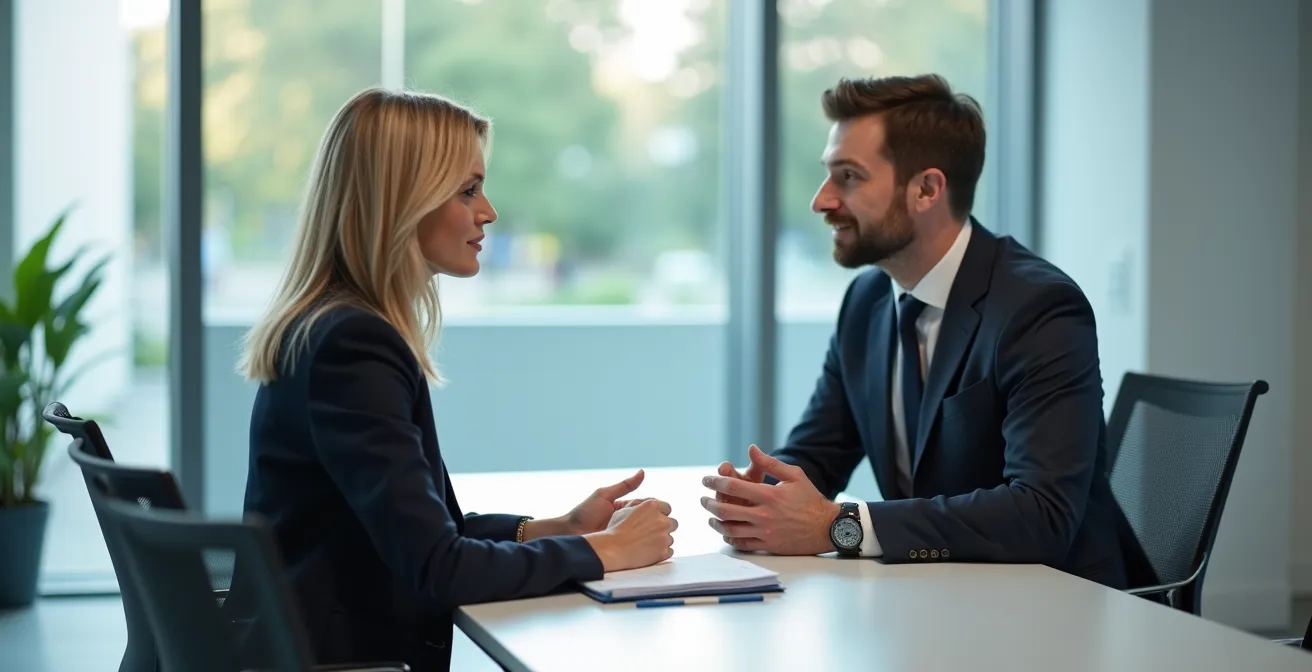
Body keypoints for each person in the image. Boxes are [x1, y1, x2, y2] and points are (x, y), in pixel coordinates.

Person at [235, 88, 676, 671]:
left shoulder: (327, 326)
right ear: (402, 200)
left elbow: (429, 531)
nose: (488, 211)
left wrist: (560, 527)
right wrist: (606, 550)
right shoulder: (353, 347)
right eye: (467, 190)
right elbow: (438, 566)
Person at [700, 74, 1136, 589]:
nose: (821, 200)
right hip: (934, 596)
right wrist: (763, 497)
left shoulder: (1038, 309)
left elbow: (1040, 514)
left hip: (1059, 606)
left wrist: (838, 527)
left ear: (926, 189)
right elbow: (820, 451)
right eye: (828, 174)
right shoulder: (866, 303)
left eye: (849, 177)